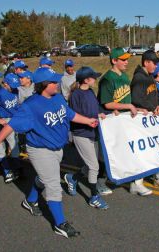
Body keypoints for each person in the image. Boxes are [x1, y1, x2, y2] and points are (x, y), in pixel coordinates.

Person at [0, 67, 99, 238]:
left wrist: (88, 121)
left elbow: (70, 114)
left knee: (44, 178)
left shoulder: (58, 98)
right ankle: (60, 224)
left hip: (57, 148)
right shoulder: (31, 106)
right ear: (45, 85)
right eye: (54, 82)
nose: (57, 83)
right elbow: (11, 125)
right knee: (53, 185)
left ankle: (30, 201)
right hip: (40, 150)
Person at [98, 47, 150, 196]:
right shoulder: (107, 79)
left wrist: (137, 108)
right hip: (112, 122)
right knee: (109, 154)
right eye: (123, 59)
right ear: (114, 61)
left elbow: (127, 100)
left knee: (134, 151)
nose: (127, 62)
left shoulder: (125, 77)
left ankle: (136, 183)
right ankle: (99, 181)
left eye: (127, 59)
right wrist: (128, 106)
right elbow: (107, 104)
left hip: (126, 121)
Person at [64, 66, 109, 209]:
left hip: (93, 132)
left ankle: (72, 178)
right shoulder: (76, 95)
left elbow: (94, 109)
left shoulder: (90, 92)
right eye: (93, 77)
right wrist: (92, 118)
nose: (95, 79)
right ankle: (94, 197)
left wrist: (101, 114)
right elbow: (74, 116)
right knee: (94, 166)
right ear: (86, 80)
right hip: (81, 133)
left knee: (89, 166)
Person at [130, 50, 159, 191]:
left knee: (155, 149)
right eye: (154, 63)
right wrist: (153, 107)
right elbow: (136, 99)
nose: (156, 66)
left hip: (151, 120)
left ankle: (157, 177)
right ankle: (136, 183)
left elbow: (156, 95)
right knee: (142, 152)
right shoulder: (139, 78)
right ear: (146, 62)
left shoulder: (149, 77)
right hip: (140, 122)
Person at [0, 73, 21, 183]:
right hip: (5, 120)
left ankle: (14, 163)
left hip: (15, 118)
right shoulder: (0, 94)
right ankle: (14, 168)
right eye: (11, 85)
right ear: (5, 84)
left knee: (14, 142)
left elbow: (17, 105)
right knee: (12, 144)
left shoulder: (16, 90)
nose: (14, 88)